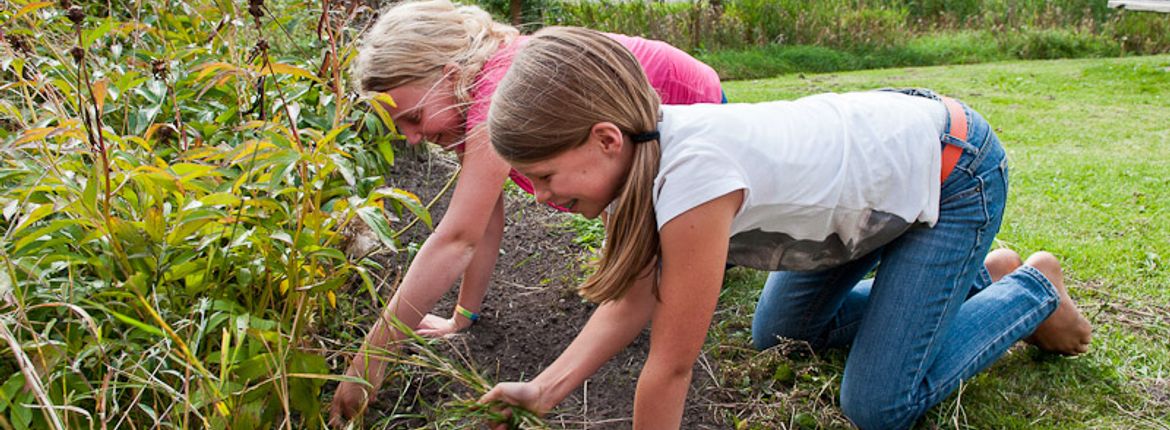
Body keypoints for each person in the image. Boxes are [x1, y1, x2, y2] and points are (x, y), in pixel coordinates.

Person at [477, 27, 1092, 429]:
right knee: (781, 334)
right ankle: (975, 278)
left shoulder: (691, 179)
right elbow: (631, 297)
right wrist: (545, 388)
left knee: (878, 406)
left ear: (604, 139)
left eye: (545, 175)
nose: (540, 195)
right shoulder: (634, 162)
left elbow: (670, 365)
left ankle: (1032, 290)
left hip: (951, 176)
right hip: (871, 199)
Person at [329, 0, 724, 423]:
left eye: (413, 117)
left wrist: (368, 361)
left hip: (692, 112)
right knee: (631, 257)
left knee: (658, 269)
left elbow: (457, 237)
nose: (410, 138)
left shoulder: (500, 88)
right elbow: (481, 222)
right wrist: (462, 317)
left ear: (447, 76)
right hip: (626, 151)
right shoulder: (471, 93)